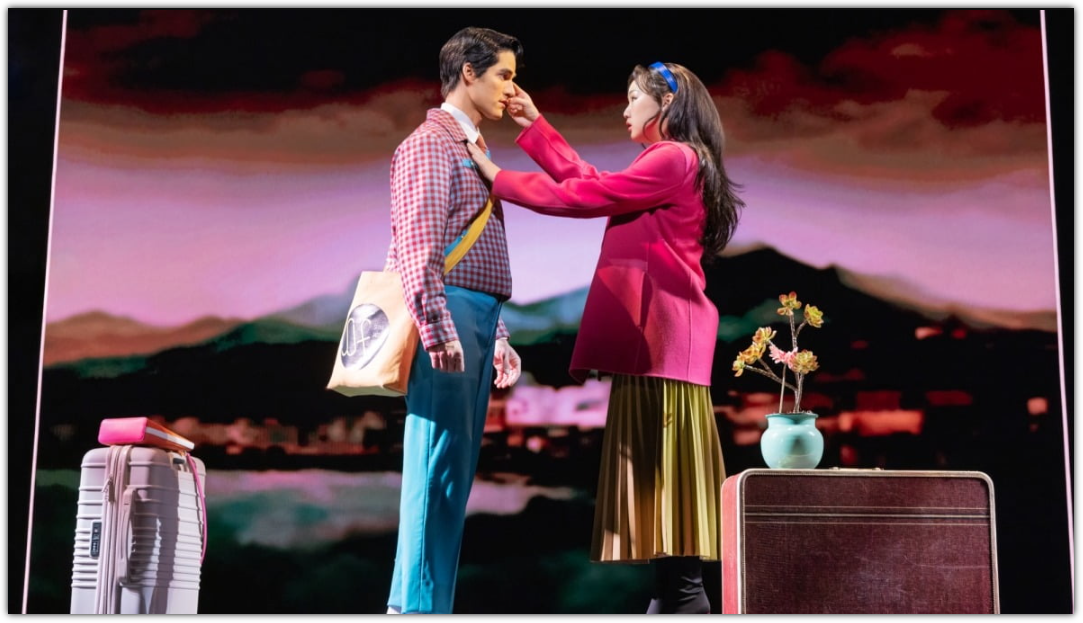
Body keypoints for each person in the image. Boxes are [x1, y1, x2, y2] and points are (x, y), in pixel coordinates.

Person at [467, 61, 744, 614]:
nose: (625, 109)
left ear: (666, 103)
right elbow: (593, 184)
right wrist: (535, 125)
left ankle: (682, 602)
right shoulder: (676, 160)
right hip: (663, 347)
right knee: (667, 504)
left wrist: (495, 176)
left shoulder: (673, 158)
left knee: (667, 497)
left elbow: (585, 196)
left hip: (661, 345)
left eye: (634, 97)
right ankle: (677, 600)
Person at [383, 26, 524, 615]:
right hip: (449, 314)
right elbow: (417, 249)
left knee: (453, 472)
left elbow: (462, 246)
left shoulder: (468, 146)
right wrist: (440, 329)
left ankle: (428, 603)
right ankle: (414, 607)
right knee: (435, 464)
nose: (510, 89)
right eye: (503, 75)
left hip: (474, 316)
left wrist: (498, 334)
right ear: (469, 72)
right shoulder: (430, 144)